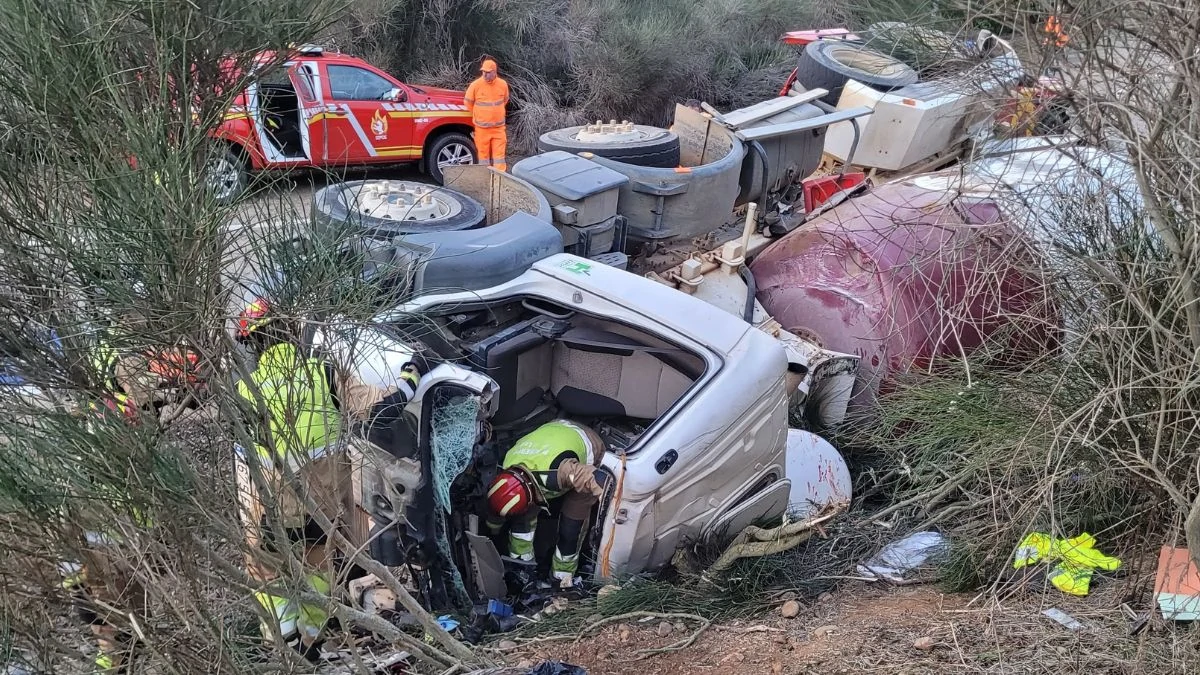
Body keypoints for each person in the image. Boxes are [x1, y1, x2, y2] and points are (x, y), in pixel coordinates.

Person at [234, 317, 425, 657]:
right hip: (321, 510)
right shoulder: (321, 374)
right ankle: (309, 643)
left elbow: (244, 465)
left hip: (272, 510)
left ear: (254, 345)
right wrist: (413, 373)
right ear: (291, 334)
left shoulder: (246, 390)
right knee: (319, 572)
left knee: (270, 574)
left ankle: (285, 642)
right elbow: (383, 408)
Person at [485, 420, 609, 584]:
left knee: (571, 528)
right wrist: (493, 533)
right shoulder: (508, 463)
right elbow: (497, 508)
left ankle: (562, 577)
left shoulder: (559, 472)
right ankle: (523, 567)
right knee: (522, 522)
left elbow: (593, 479)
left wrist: (611, 498)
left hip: (587, 445)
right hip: (553, 430)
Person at [464, 57, 510, 172]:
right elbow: (468, 103)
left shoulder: (503, 84)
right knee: (483, 157)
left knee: (499, 158)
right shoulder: (475, 85)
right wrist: (480, 115)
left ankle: (499, 179)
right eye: (483, 72)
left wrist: (495, 114)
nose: (485, 74)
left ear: (494, 72)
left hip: (498, 129)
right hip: (482, 129)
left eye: (488, 72)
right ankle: (485, 179)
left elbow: (505, 100)